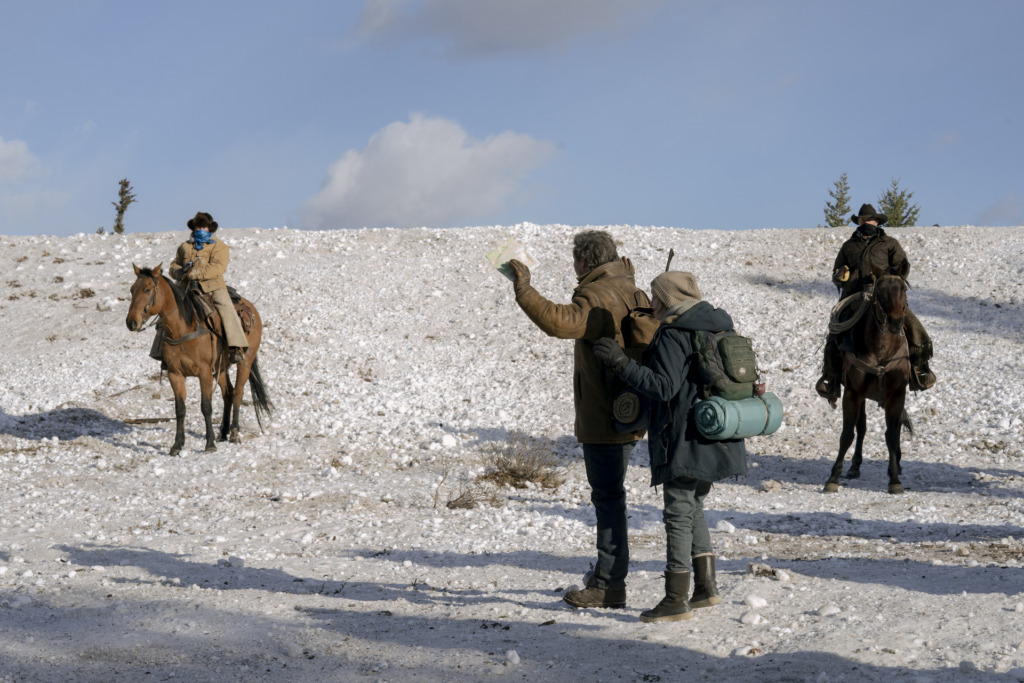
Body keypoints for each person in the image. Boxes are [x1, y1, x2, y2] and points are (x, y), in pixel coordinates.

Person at [592, 271, 747, 622]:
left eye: (654, 296)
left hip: (685, 436)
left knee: (677, 512)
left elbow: (663, 387)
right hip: (718, 431)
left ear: (667, 298)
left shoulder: (674, 333)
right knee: (693, 507)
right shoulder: (720, 326)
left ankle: (675, 599)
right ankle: (706, 589)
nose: (650, 302)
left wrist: (620, 362)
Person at [508, 230, 649, 609]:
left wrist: (524, 289)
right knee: (612, 496)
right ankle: (607, 575)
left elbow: (561, 322)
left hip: (605, 414)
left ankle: (608, 584)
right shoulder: (630, 287)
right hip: (629, 408)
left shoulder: (599, 293)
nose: (574, 268)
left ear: (584, 261)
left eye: (575, 262)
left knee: (608, 498)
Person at [815, 203, 935, 400]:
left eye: (868, 220)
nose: (864, 222)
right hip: (854, 295)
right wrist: (841, 275)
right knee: (834, 332)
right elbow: (836, 274)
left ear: (876, 222)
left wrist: (887, 280)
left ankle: (919, 370)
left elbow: (901, 268)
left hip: (885, 294)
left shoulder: (890, 244)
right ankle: (831, 377)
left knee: (913, 325)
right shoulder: (848, 246)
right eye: (861, 220)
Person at [153, 211, 248, 365]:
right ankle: (161, 351)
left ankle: (236, 347)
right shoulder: (184, 246)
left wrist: (195, 273)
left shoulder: (219, 247)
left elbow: (218, 267)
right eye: (198, 227)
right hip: (185, 288)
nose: (200, 230)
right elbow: (174, 264)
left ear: (209, 228)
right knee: (165, 314)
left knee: (226, 309)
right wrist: (178, 271)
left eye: (203, 227)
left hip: (212, 286)